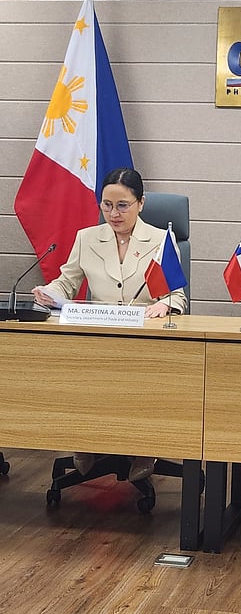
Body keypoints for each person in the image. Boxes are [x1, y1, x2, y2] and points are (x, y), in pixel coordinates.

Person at [33, 167, 187, 483]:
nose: (113, 214)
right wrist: (49, 293)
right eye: (106, 205)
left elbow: (177, 297)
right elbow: (67, 282)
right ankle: (86, 439)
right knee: (78, 369)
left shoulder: (161, 240)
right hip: (96, 337)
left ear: (140, 203)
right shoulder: (87, 238)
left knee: (139, 377)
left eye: (122, 205)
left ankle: (144, 448)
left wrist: (163, 304)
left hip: (143, 341)